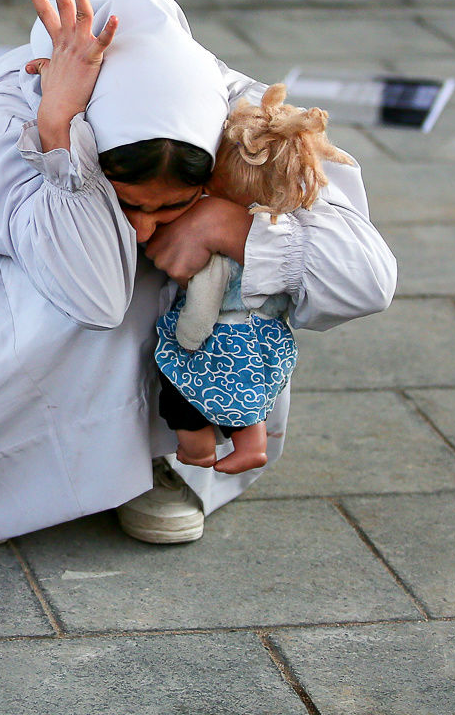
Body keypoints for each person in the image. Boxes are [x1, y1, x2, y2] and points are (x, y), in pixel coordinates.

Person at [0, 0, 396, 546]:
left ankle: (151, 455)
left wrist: (229, 223)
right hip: (1, 272)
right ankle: (20, 464)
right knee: (103, 267)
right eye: (130, 203)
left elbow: (367, 281)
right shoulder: (5, 106)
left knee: (219, 265)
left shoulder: (238, 115)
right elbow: (93, 296)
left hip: (115, 272)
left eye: (171, 204)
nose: (143, 229)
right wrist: (58, 130)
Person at [144, 83, 356, 480]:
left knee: (182, 395)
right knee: (250, 395)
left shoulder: (219, 250)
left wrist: (187, 337)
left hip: (221, 337)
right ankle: (253, 447)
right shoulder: (280, 232)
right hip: (267, 337)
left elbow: (204, 302)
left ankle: (196, 450)